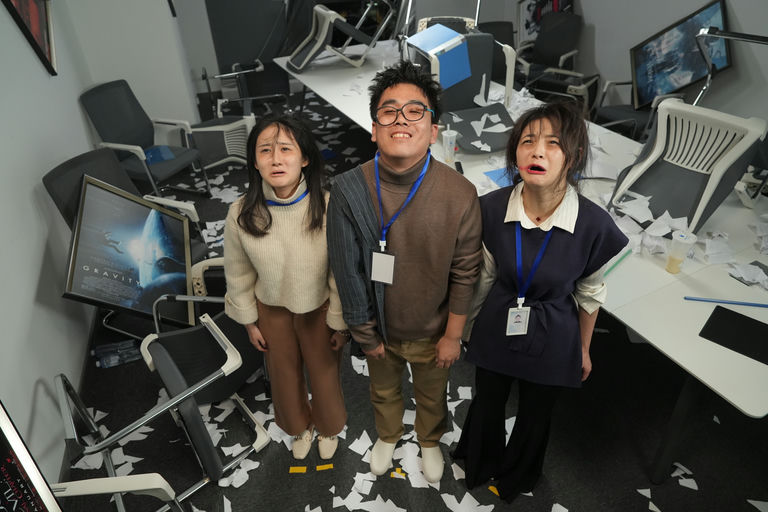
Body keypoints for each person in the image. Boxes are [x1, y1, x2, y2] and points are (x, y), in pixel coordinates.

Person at [453, 101, 629, 502]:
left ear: (574, 156)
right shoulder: (492, 207)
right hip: (499, 317)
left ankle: (518, 475)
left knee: (536, 412)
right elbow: (485, 276)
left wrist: (583, 349)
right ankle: (479, 460)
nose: (537, 152)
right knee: (488, 399)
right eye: (528, 141)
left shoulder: (593, 224)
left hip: (555, 330)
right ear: (515, 152)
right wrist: (467, 330)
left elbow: (590, 292)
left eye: (553, 143)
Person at [327, 60, 482, 483]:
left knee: (432, 393)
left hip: (434, 330)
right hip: (378, 327)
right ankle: (388, 434)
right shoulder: (348, 190)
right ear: (374, 128)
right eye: (388, 111)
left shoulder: (460, 194)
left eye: (415, 111)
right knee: (383, 390)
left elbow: (465, 271)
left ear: (433, 131)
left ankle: (429, 439)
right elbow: (347, 270)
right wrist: (365, 335)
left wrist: (453, 335)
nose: (401, 119)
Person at [223, 113, 349, 461]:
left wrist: (340, 322)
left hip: (319, 308)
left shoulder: (328, 206)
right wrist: (249, 321)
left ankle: (327, 426)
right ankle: (299, 426)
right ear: (255, 161)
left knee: (324, 374)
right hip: (272, 309)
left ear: (305, 158)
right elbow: (238, 272)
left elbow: (340, 272)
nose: (276, 159)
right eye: (265, 150)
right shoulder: (240, 212)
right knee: (283, 375)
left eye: (285, 149)